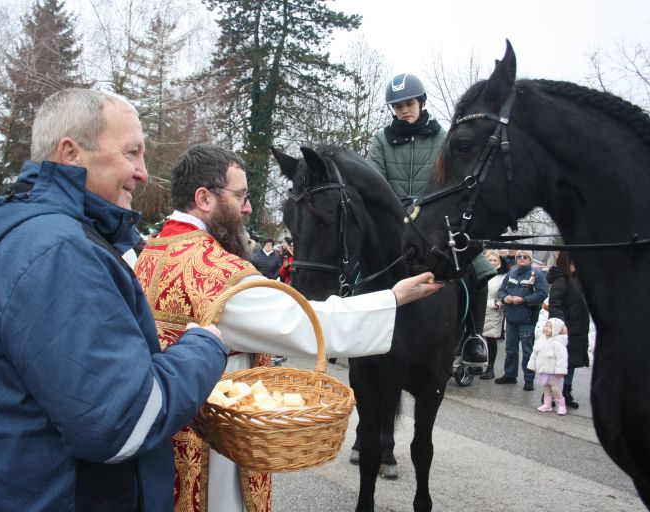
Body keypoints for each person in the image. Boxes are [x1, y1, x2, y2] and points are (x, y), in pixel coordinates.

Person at [0, 88, 229, 511]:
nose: (142, 172)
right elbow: (120, 422)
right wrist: (204, 349)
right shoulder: (57, 252)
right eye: (132, 153)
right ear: (71, 154)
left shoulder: (47, 237)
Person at [134, 143, 444, 512]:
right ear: (204, 198)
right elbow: (304, 322)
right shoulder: (215, 273)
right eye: (241, 196)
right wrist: (392, 298)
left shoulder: (151, 251)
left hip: (157, 440)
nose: (248, 207)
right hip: (210, 448)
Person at [366, 72, 495, 367]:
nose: (403, 110)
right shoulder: (380, 141)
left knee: (479, 270)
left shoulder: (443, 138)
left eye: (408, 103)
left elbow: (454, 179)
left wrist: (426, 206)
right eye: (397, 106)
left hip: (436, 223)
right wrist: (399, 206)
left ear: (421, 102)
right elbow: (375, 180)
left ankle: (473, 338)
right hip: (394, 221)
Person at [495, 250, 549, 390]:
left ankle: (529, 380)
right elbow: (501, 290)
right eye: (519, 256)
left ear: (530, 260)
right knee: (510, 349)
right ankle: (510, 376)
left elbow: (542, 294)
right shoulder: (511, 273)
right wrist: (504, 297)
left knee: (527, 351)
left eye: (525, 257)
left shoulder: (536, 274)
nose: (522, 258)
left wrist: (524, 300)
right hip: (511, 318)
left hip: (527, 319)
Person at [546, 251, 590, 408]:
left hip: (578, 328)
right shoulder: (560, 281)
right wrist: (561, 325)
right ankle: (549, 394)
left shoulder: (577, 279)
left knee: (571, 362)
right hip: (564, 330)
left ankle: (566, 391)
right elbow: (555, 305)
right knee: (557, 363)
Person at [527, 318, 569, 415]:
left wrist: (561, 370)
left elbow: (562, 358)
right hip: (543, 369)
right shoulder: (541, 340)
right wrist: (532, 365)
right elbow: (535, 353)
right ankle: (547, 404)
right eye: (546, 326)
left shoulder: (558, 343)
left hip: (554, 370)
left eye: (550, 327)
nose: (547, 329)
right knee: (546, 387)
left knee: (555, 388)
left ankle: (561, 405)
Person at [480, 249, 508, 380]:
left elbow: (505, 293)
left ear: (499, 261)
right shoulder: (480, 272)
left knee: (490, 339)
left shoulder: (503, 276)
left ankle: (490, 368)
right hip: (479, 308)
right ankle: (477, 364)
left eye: (495, 260)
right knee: (478, 338)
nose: (492, 262)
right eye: (489, 259)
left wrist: (498, 305)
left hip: (493, 310)